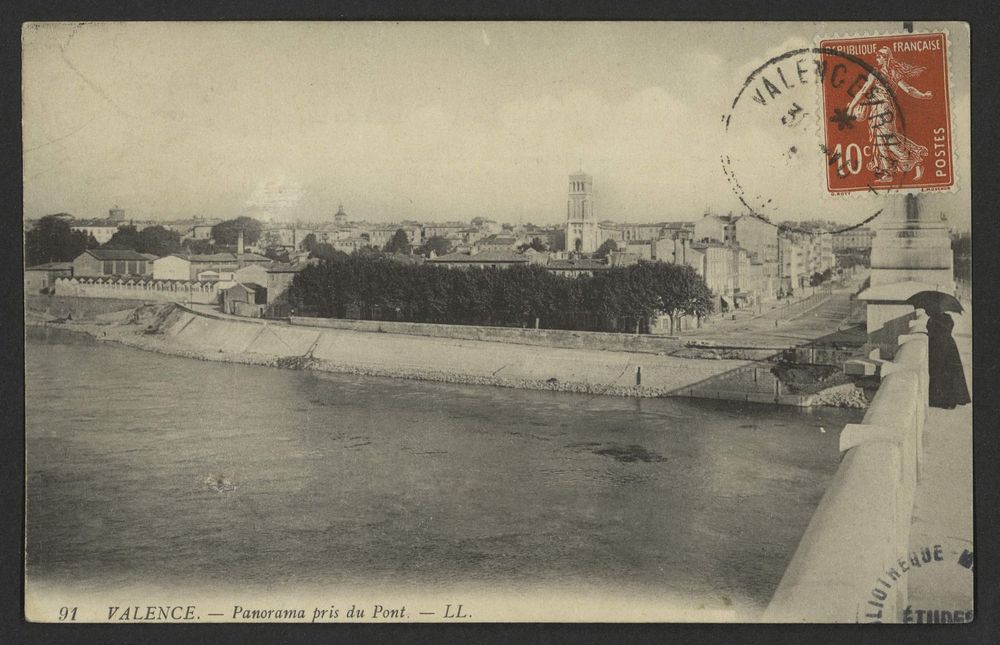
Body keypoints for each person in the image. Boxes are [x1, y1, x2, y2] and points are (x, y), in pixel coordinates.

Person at [846, 46, 933, 182]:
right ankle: (887, 173)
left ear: (885, 58)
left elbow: (863, 91)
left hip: (882, 109)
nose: (876, 59)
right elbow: (909, 90)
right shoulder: (893, 73)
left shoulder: (876, 73)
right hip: (883, 109)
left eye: (878, 56)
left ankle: (915, 159)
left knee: (888, 140)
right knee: (880, 140)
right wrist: (923, 95)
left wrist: (851, 106)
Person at [926, 311, 970, 409]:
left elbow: (929, 330)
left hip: (938, 347)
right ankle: (953, 400)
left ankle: (942, 400)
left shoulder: (932, 319)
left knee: (940, 372)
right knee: (951, 372)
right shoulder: (947, 318)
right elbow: (950, 327)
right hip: (949, 345)